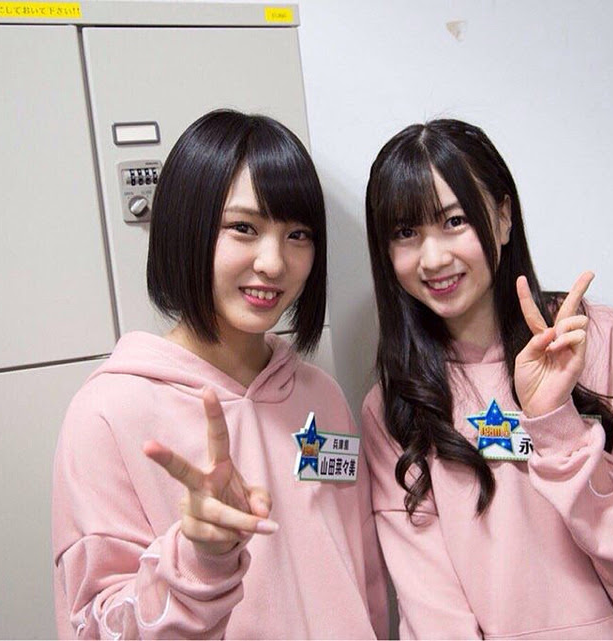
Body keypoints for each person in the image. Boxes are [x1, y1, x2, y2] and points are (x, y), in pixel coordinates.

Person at [361, 118, 613, 639]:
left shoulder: (598, 341)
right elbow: (434, 610)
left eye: (455, 221)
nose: (433, 258)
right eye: (405, 233)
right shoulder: (394, 405)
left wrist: (558, 425)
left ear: (503, 217)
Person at [51, 109, 387, 639]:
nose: (273, 263)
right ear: (187, 227)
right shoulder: (108, 414)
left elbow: (362, 575)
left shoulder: (321, 396)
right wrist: (199, 558)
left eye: (298, 234)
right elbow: (94, 627)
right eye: (243, 228)